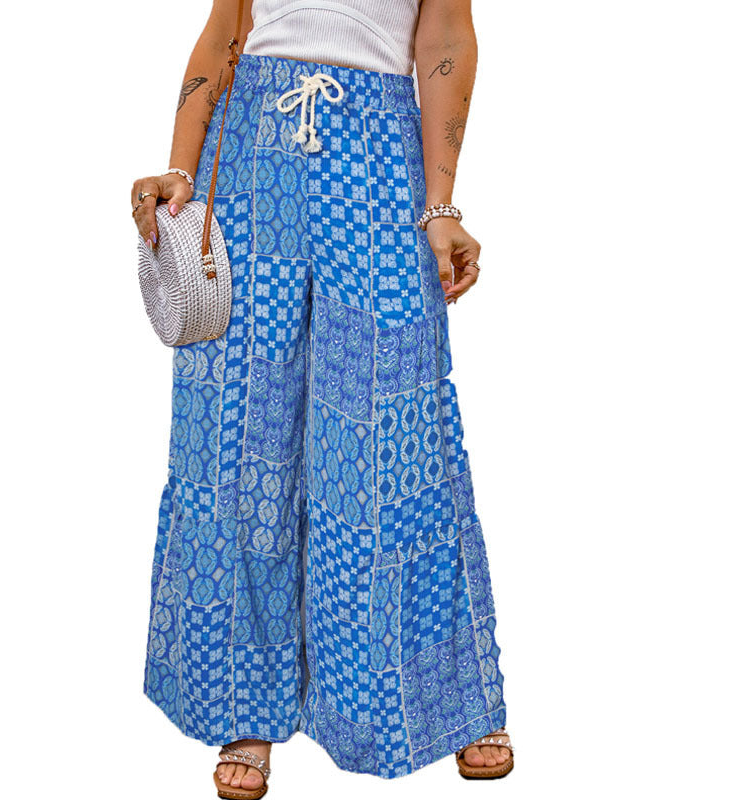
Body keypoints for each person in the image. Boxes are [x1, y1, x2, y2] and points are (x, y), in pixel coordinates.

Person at [131, 1, 513, 796]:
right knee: (241, 426)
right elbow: (227, 28)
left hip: (378, 147)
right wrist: (181, 170)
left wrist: (441, 207)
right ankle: (243, 704)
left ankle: (438, 698)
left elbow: (446, 34)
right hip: (250, 148)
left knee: (394, 423)